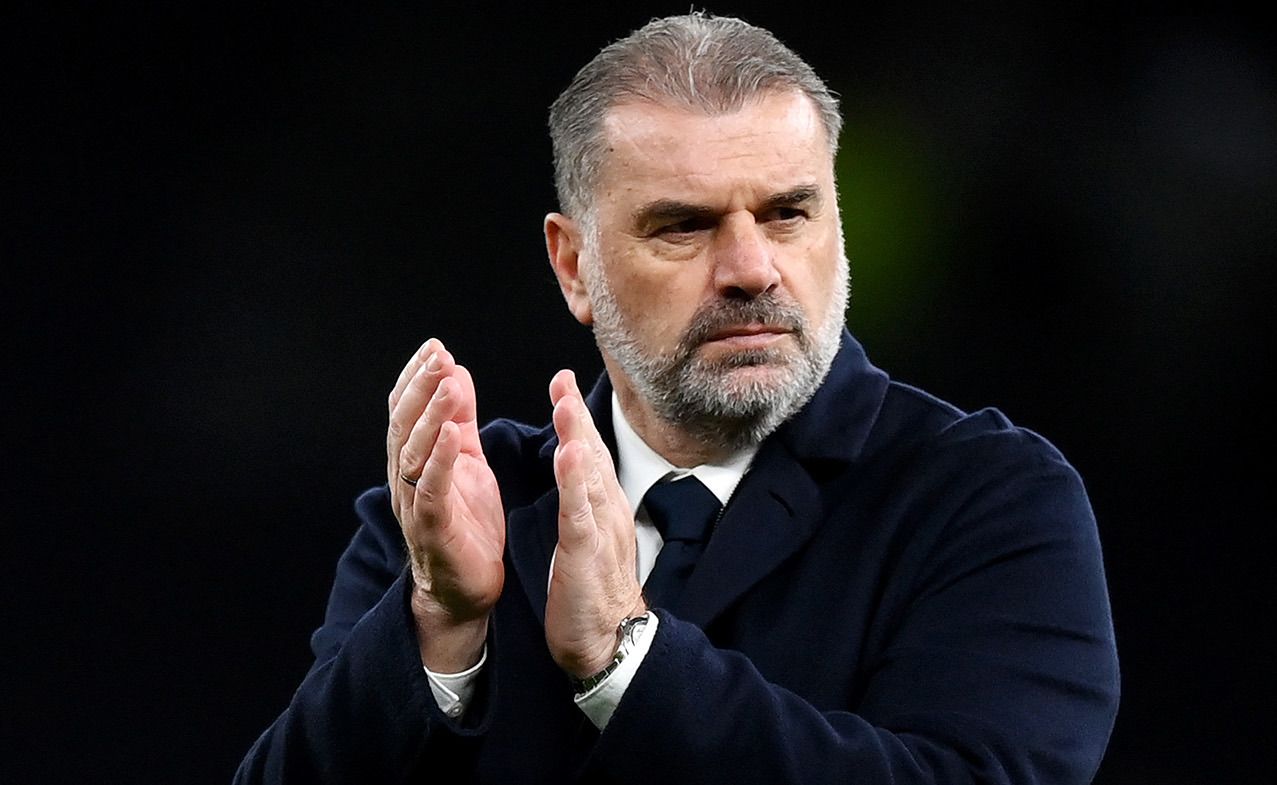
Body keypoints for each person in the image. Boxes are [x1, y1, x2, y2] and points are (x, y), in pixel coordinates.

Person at [234, 12, 1119, 785]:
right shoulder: (455, 517)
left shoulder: (983, 502)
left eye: (788, 214)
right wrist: (440, 623)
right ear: (574, 266)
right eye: (684, 225)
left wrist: (629, 660)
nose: (750, 270)